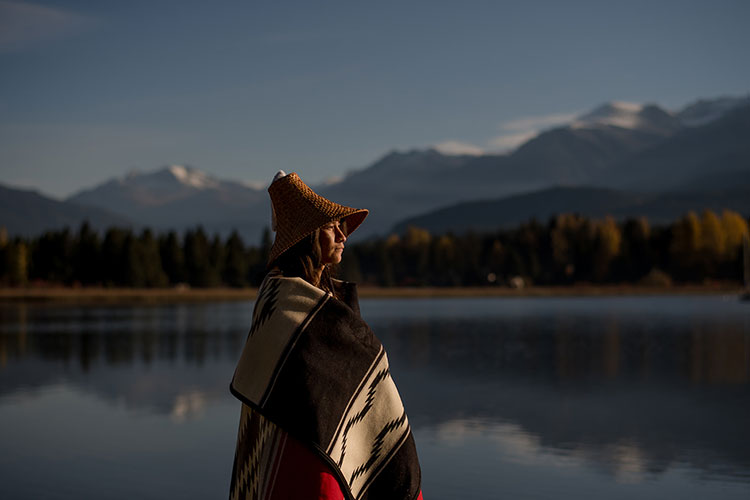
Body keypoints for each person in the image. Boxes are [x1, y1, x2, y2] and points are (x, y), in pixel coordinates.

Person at [229, 171, 423, 500]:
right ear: (307, 236)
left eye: (341, 226)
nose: (343, 234)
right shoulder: (282, 300)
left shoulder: (323, 300)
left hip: (324, 450)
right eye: (331, 227)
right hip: (303, 458)